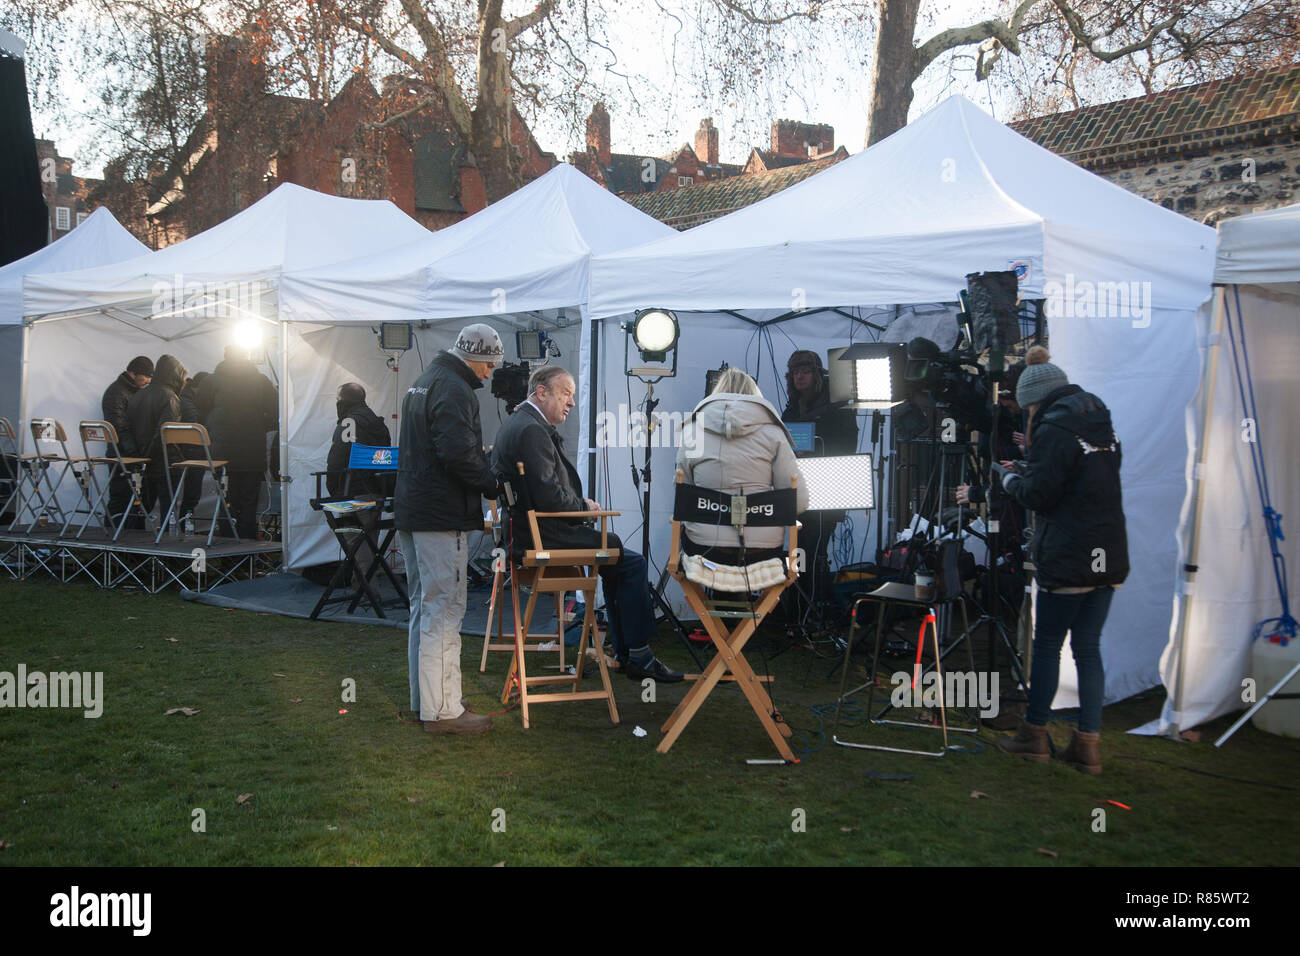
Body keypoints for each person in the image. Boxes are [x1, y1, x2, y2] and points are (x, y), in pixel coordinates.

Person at [982, 345, 1129, 774]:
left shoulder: (1051, 427)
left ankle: (1034, 736)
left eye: (1027, 407)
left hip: (1068, 553)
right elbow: (1077, 481)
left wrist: (1009, 477)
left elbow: (1039, 496)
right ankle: (1088, 745)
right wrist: (1033, 469)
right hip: (1109, 552)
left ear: (1036, 401)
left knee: (1046, 646)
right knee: (1088, 648)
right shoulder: (1100, 422)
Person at [492, 365, 684, 684]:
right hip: (543, 536)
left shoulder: (518, 423)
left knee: (617, 560)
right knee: (627, 561)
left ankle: (630, 652)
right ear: (541, 392)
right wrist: (585, 508)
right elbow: (550, 497)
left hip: (529, 532)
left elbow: (544, 491)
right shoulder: (531, 430)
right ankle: (637, 654)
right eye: (565, 393)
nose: (571, 402)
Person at [395, 325, 502, 735]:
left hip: (415, 510)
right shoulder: (454, 388)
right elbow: (457, 452)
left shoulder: (424, 381)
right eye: (489, 364)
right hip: (440, 516)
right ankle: (441, 711)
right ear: (474, 356)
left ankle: (427, 700)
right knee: (444, 610)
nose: (490, 374)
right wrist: (492, 484)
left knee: (424, 606)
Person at [676, 368, 808, 564]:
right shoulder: (774, 433)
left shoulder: (692, 432)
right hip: (762, 550)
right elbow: (799, 501)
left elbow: (683, 498)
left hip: (704, 548)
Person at [781, 349, 858, 610]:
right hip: (799, 488)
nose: (799, 377)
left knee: (815, 550)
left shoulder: (837, 404)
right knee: (799, 550)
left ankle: (817, 605)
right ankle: (799, 605)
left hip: (828, 487)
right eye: (795, 373)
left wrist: (814, 445)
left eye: (805, 372)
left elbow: (848, 444)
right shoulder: (793, 405)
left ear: (817, 374)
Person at [198, 346, 277, 539]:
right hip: (252, 451)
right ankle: (247, 552)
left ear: (225, 357)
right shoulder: (261, 381)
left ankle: (227, 550)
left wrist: (217, 425)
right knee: (249, 502)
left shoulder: (211, 381)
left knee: (226, 500)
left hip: (222, 453)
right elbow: (277, 411)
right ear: (246, 357)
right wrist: (260, 424)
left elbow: (201, 409)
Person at [327, 383, 392, 579]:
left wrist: (333, 489)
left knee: (356, 541)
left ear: (344, 401)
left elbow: (337, 458)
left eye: (338, 400)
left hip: (354, 492)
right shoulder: (378, 423)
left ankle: (366, 590)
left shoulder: (350, 422)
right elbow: (384, 458)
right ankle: (366, 588)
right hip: (377, 490)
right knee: (370, 540)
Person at [125, 354, 187, 526]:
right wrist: (150, 454)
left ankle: (130, 547)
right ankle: (167, 548)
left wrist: (141, 455)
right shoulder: (170, 397)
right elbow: (165, 432)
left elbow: (129, 428)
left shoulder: (138, 395)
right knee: (169, 509)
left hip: (141, 459)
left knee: (140, 507)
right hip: (165, 461)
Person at [101, 356, 153, 527]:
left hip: (127, 453)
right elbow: (119, 427)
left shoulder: (131, 391)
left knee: (131, 499)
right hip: (122, 454)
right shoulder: (117, 392)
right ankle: (112, 537)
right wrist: (135, 453)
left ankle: (126, 537)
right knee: (120, 497)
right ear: (132, 373)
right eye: (145, 375)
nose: (148, 380)